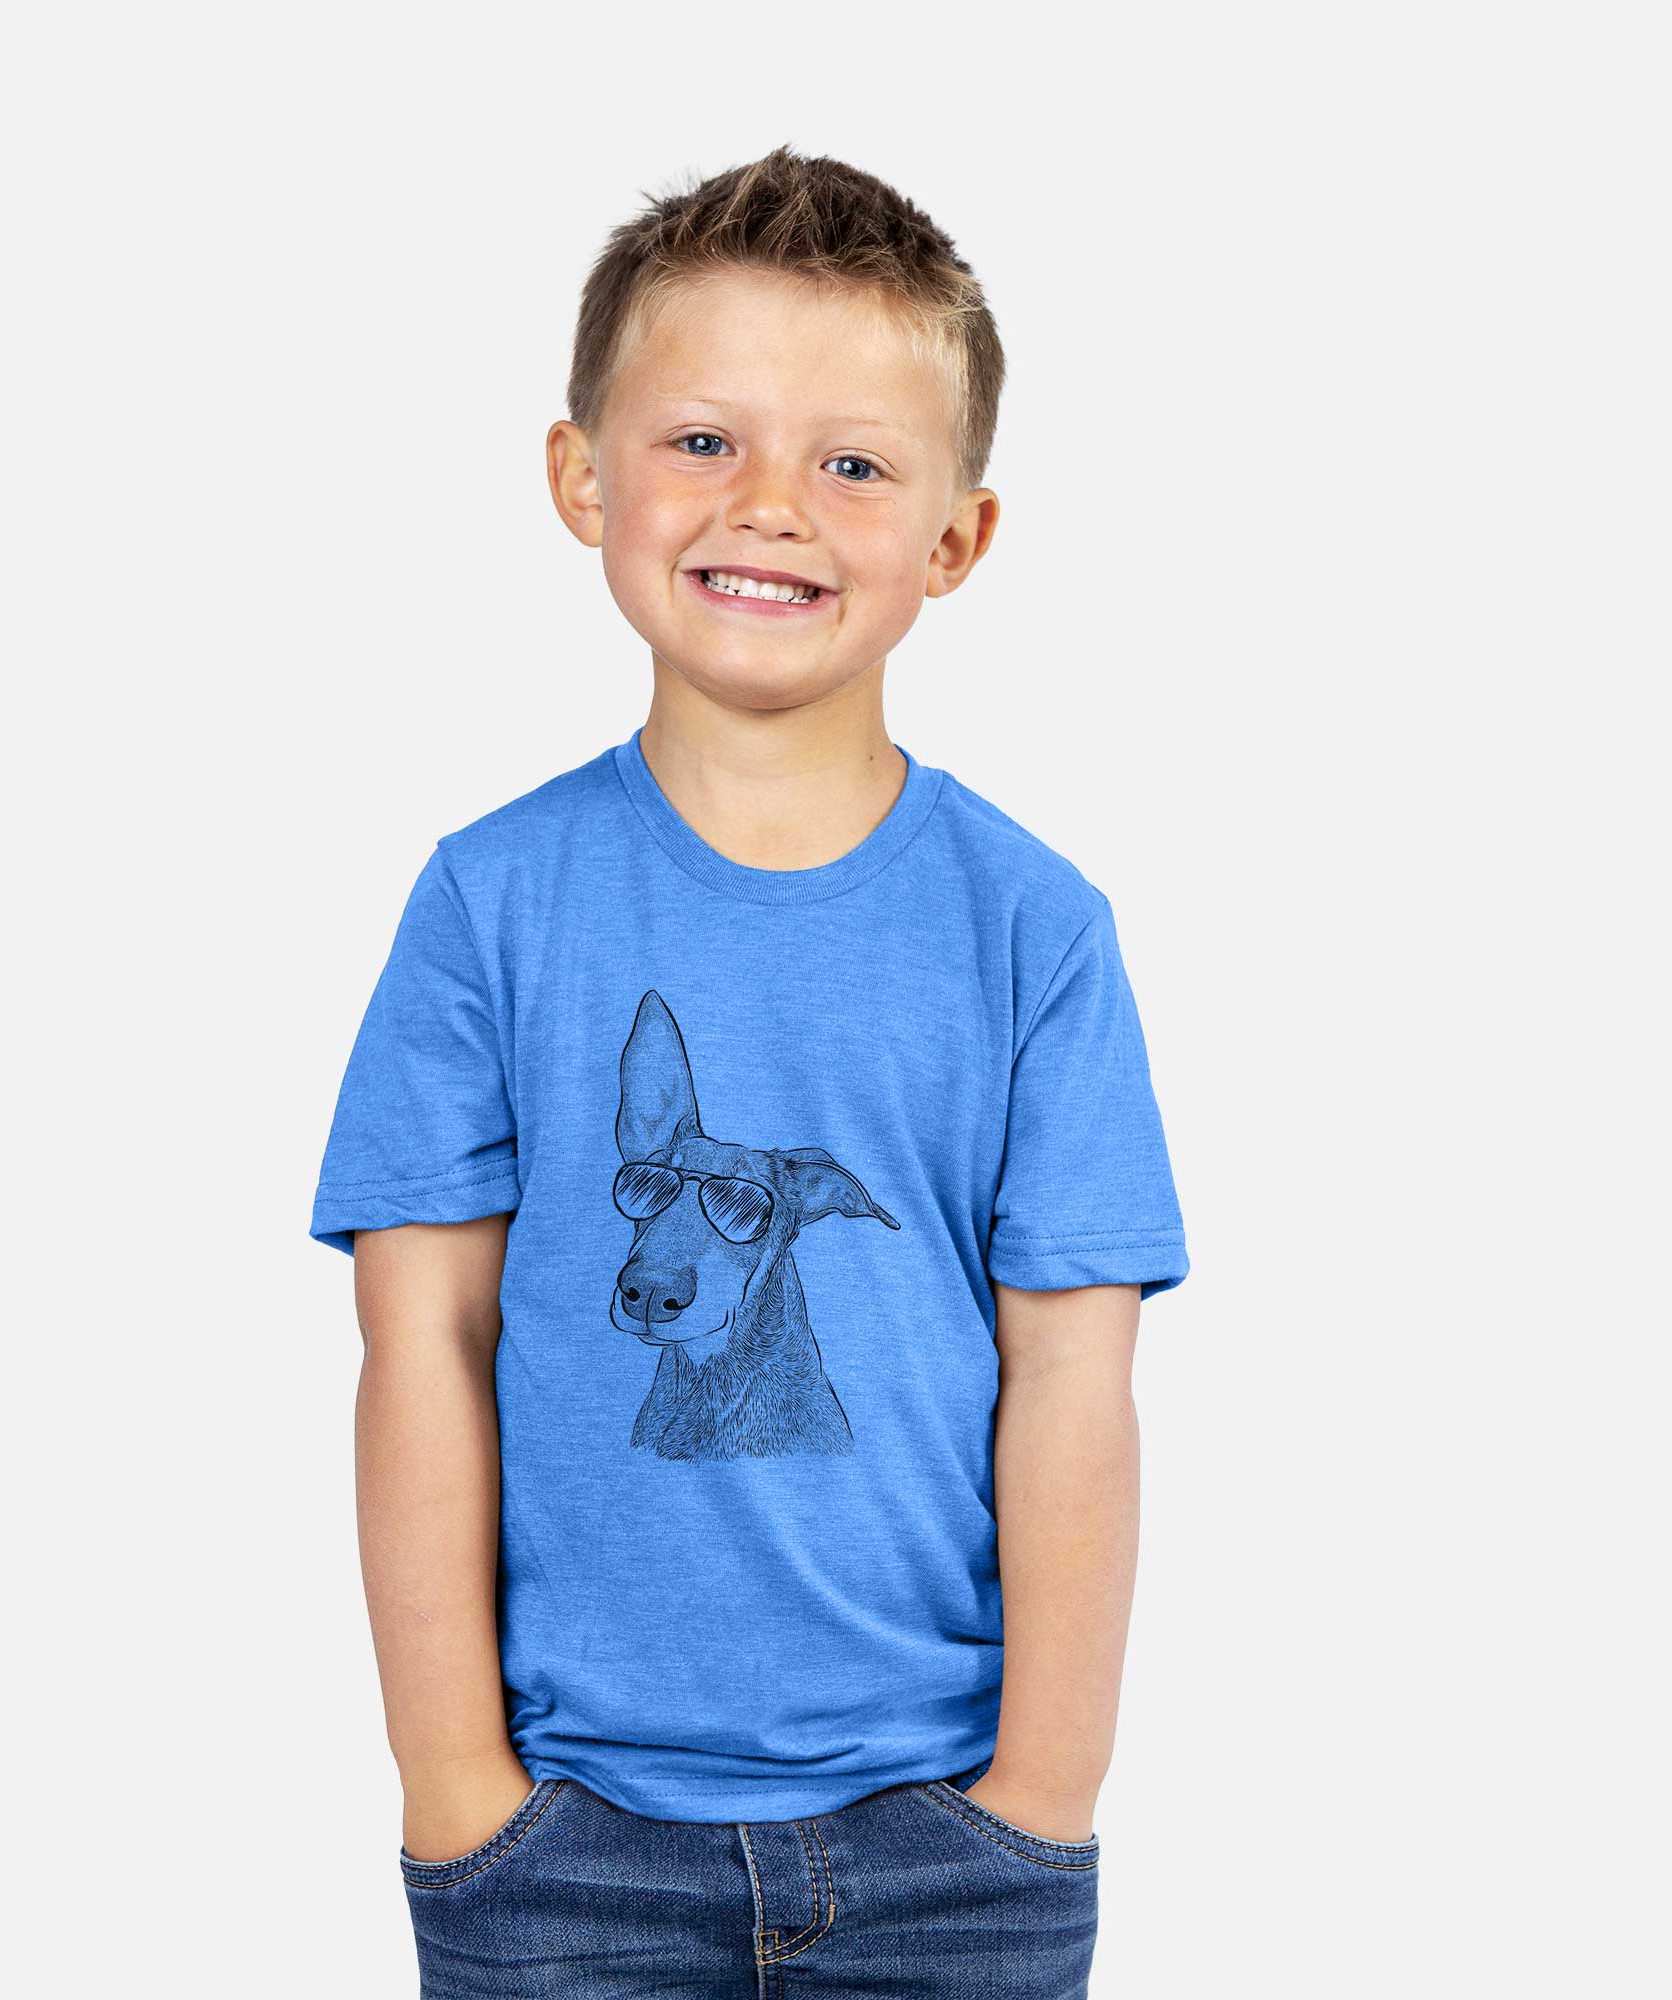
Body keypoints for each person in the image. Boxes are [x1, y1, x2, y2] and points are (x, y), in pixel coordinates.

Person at [309, 144, 1189, 1997]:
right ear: (583, 476)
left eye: (853, 463)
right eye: (704, 439)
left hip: (953, 1847)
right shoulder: (489, 905)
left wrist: (1041, 1802)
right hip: (562, 1852)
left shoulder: (1035, 929)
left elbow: (1074, 1378)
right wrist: (456, 1795)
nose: (770, 505)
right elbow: (421, 1347)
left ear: (956, 538)